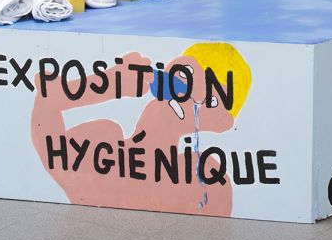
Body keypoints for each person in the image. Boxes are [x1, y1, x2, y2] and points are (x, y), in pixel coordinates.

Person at [30, 43, 252, 216]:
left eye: (211, 99)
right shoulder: (102, 147)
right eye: (185, 74)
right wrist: (107, 83)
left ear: (221, 123)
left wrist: (104, 85)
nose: (189, 94)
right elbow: (51, 140)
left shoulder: (203, 177)